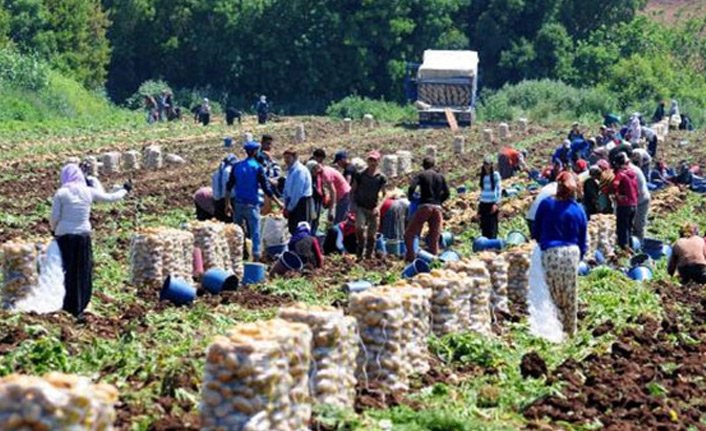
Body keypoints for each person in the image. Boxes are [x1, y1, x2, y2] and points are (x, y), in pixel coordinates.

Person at [50, 164, 130, 319]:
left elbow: (54, 217)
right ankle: (79, 306)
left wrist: (54, 230)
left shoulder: (61, 193)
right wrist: (124, 190)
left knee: (65, 270)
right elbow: (109, 197)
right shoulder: (88, 192)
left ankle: (64, 303)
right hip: (83, 236)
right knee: (82, 270)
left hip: (64, 236)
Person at [533, 172, 587, 336]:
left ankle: (551, 332)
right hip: (571, 253)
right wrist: (579, 258)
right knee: (569, 294)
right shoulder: (578, 210)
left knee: (550, 293)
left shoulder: (546, 204)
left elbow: (535, 230)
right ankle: (570, 332)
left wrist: (542, 242)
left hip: (550, 252)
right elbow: (583, 240)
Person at [226, 141, 282, 261]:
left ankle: (235, 255)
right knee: (255, 232)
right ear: (256, 152)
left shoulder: (237, 166)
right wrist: (278, 202)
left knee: (237, 231)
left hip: (238, 203)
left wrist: (227, 204)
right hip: (252, 204)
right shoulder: (257, 167)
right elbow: (266, 188)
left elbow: (229, 186)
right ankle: (256, 257)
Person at [404, 157, 450, 262]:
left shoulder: (421, 175)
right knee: (434, 237)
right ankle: (434, 261)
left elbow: (411, 188)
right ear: (434, 165)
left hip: (425, 207)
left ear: (423, 166)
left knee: (409, 234)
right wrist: (439, 201)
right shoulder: (440, 176)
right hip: (437, 209)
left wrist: (411, 197)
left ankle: (410, 258)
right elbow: (447, 193)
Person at [351, 150, 387, 260]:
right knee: (359, 227)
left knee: (372, 235)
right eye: (370, 160)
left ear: (378, 162)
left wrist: (378, 207)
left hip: (373, 208)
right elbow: (352, 190)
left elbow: (385, 194)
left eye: (374, 160)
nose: (372, 163)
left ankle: (369, 256)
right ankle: (360, 248)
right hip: (361, 206)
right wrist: (353, 204)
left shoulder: (381, 177)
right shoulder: (360, 175)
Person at [611, 153, 639, 251]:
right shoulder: (631, 172)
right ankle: (631, 247)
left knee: (622, 228)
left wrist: (617, 195)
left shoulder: (620, 174)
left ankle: (624, 250)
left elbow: (614, 185)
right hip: (634, 204)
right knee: (629, 228)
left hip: (624, 205)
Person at [282, 148, 314, 234]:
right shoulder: (290, 171)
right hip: (292, 202)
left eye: (288, 158)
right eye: (285, 158)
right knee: (293, 228)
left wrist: (289, 208)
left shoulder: (300, 171)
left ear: (295, 157)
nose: (286, 160)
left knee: (301, 228)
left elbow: (297, 192)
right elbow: (287, 189)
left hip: (301, 203)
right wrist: (285, 204)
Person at [257, 134, 283, 214]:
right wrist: (269, 180)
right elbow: (259, 173)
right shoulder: (259, 157)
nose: (269, 146)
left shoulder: (269, 157)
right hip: (261, 190)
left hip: (271, 191)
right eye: (267, 144)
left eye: (270, 144)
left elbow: (276, 170)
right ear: (262, 143)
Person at [478, 155, 502, 239]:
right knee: (484, 225)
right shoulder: (483, 176)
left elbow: (498, 189)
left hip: (492, 203)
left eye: (488, 165)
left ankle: (492, 243)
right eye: (485, 165)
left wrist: (496, 203)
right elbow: (482, 190)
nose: (486, 167)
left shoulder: (495, 175)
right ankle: (485, 242)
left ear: (491, 165)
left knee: (492, 225)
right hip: (483, 202)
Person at [211, 154, 237, 222]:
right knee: (231, 222)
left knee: (220, 222)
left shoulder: (216, 173)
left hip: (217, 201)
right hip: (230, 200)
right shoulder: (231, 171)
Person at [306, 160, 327, 234]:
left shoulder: (317, 178)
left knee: (316, 220)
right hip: (311, 201)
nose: (317, 171)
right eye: (315, 169)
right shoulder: (308, 179)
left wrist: (323, 196)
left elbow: (321, 188)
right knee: (311, 219)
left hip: (318, 200)